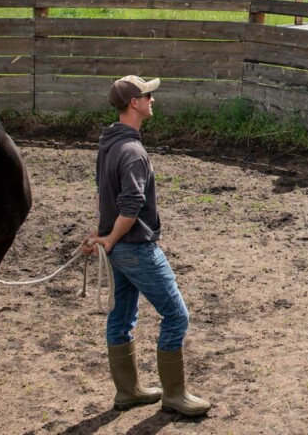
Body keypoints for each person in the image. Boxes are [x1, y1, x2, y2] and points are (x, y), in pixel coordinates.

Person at [82, 76, 211, 417]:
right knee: (176, 315)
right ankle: (175, 394)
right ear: (133, 103)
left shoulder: (108, 144)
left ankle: (128, 392)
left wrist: (101, 235)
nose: (152, 100)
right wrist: (108, 238)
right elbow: (131, 206)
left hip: (118, 250)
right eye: (147, 95)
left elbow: (102, 195)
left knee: (121, 315)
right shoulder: (133, 151)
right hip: (136, 246)